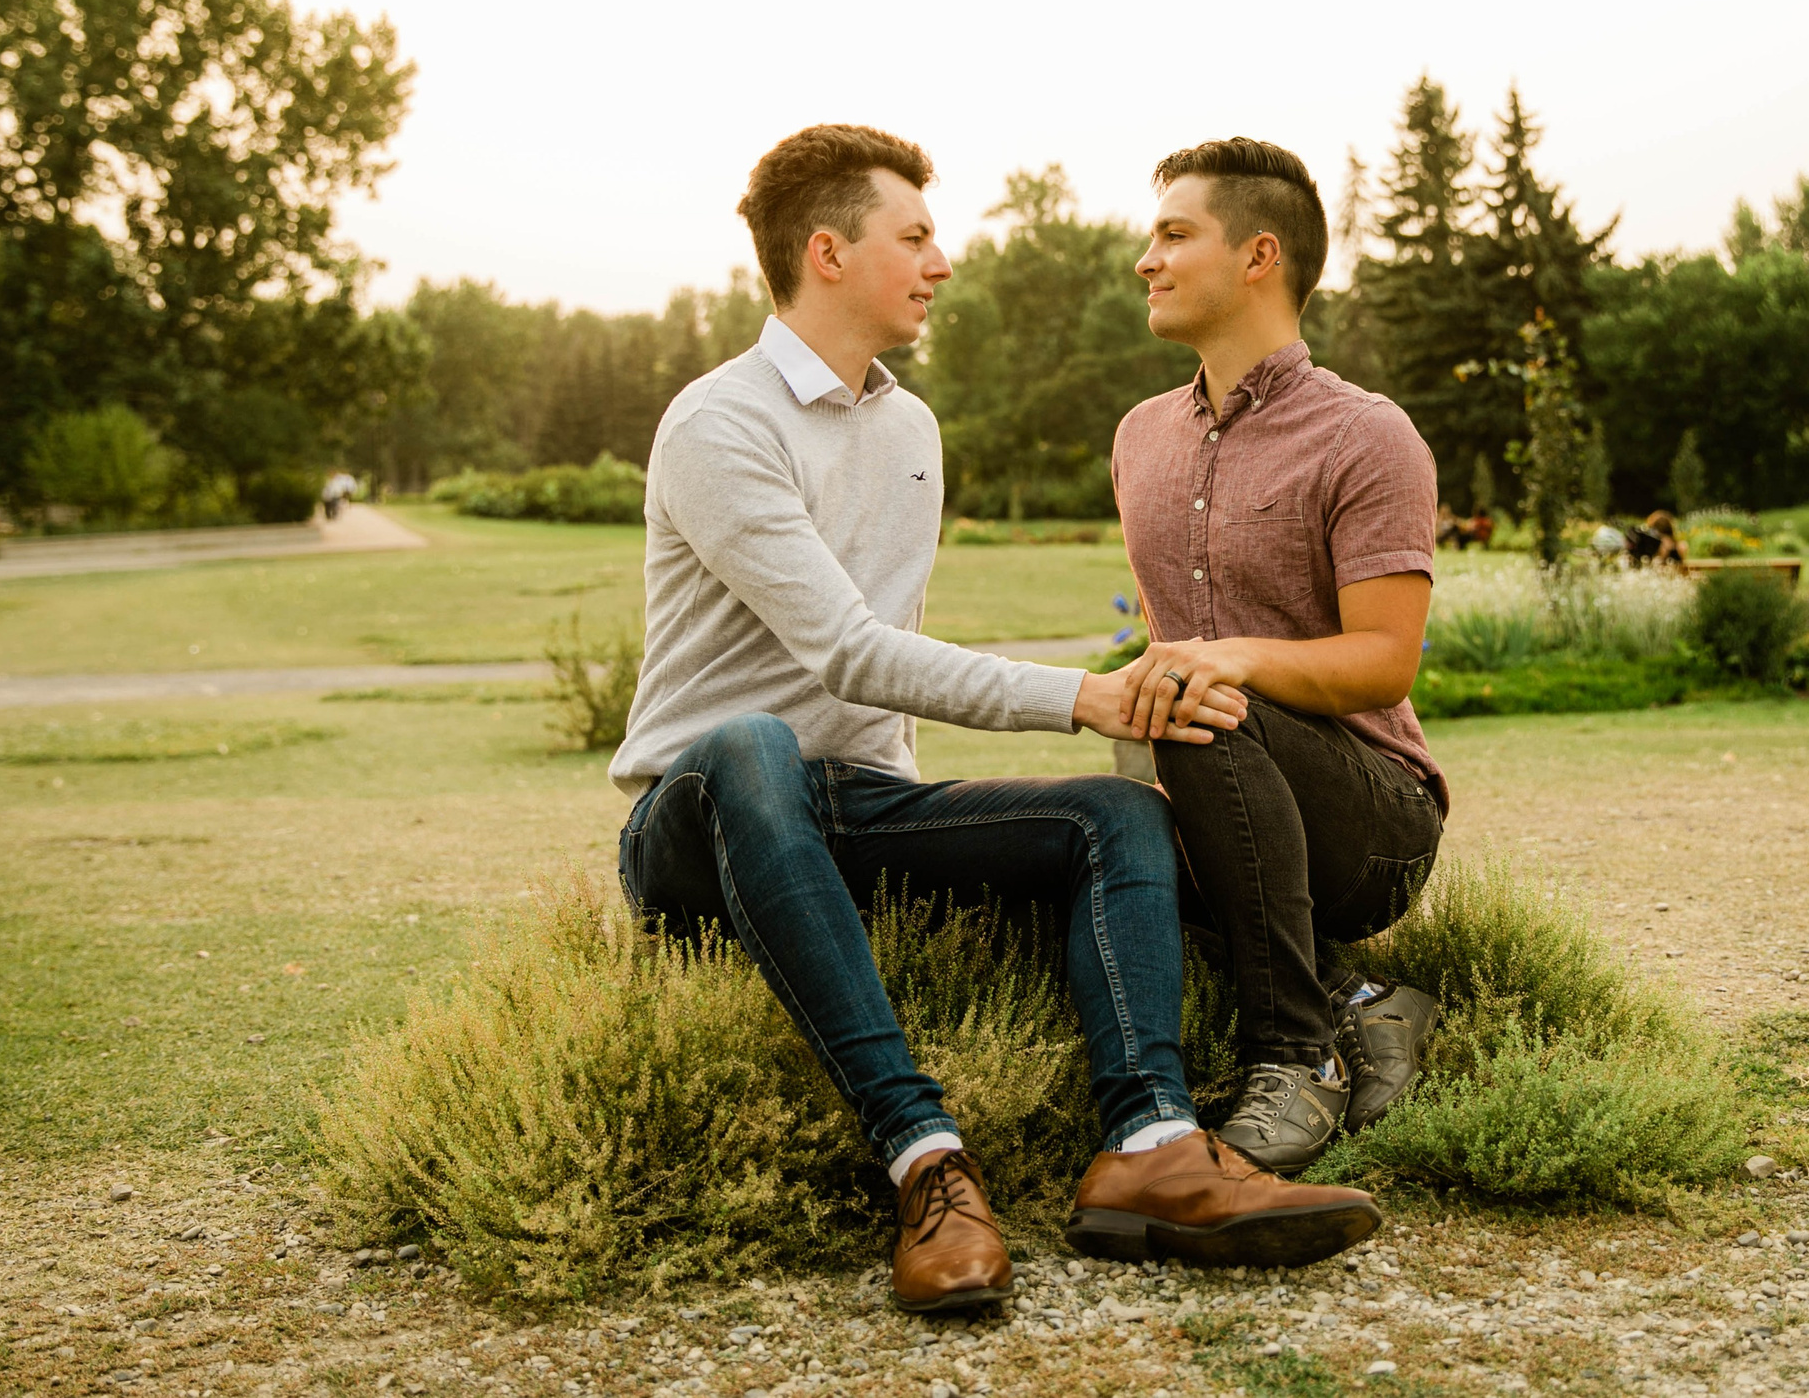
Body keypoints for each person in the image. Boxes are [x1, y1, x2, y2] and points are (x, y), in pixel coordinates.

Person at [612, 124, 1380, 1313]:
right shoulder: (722, 423)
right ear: (827, 252)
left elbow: (881, 673)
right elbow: (850, 652)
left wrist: (1105, 725)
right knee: (756, 743)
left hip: (858, 809)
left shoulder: (909, 429)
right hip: (703, 818)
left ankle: (1152, 1146)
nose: (942, 259)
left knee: (1114, 814)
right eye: (914, 236)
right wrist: (1086, 694)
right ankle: (928, 1159)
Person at [1109, 138, 1447, 1176]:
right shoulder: (1138, 437)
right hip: (1216, 791)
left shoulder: (1366, 436)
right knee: (1082, 819)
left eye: (1174, 235)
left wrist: (1231, 662)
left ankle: (1297, 1058)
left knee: (1205, 690)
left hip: (1373, 821)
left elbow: (1384, 666)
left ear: (1259, 256)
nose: (1145, 259)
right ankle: (1360, 1001)